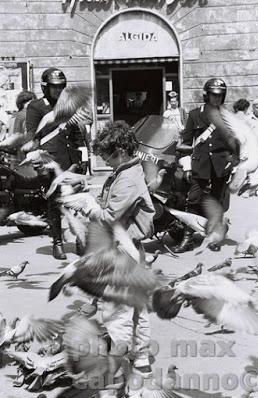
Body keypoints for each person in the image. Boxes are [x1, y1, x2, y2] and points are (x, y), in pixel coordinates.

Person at [90, 120, 155, 378]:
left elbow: (109, 216)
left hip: (124, 253)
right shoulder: (126, 171)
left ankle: (115, 368)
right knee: (137, 308)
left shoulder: (127, 178)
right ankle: (141, 358)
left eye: (106, 155)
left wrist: (85, 206)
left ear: (120, 151)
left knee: (119, 311)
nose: (104, 160)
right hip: (131, 250)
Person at [26, 68, 85, 260]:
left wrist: (82, 160)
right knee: (55, 205)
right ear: (45, 87)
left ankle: (80, 241)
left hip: (70, 162)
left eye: (61, 87)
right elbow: (33, 137)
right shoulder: (36, 107)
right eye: (54, 87)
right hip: (50, 163)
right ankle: (57, 243)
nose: (58, 91)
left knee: (77, 202)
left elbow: (77, 136)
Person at [173, 78, 238, 253]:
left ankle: (213, 239)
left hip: (220, 166)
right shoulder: (195, 115)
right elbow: (186, 143)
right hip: (199, 165)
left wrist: (233, 165)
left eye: (220, 95)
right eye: (213, 95)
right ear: (207, 95)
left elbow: (235, 144)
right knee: (192, 200)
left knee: (216, 202)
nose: (216, 98)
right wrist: (186, 166)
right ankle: (187, 238)